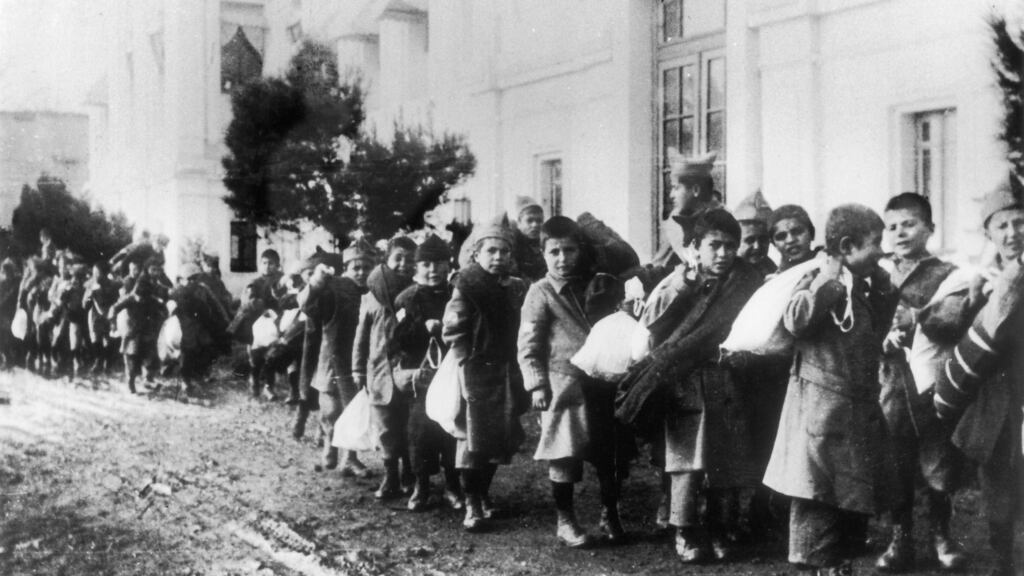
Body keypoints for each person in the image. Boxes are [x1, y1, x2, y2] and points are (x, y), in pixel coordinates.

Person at [764, 204, 898, 576]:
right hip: (819, 417)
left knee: (848, 508)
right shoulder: (821, 278)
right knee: (817, 505)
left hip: (852, 415)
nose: (882, 250)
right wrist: (830, 278)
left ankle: (838, 568)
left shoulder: (860, 287)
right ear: (847, 245)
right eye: (876, 242)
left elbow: (872, 335)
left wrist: (885, 292)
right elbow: (797, 319)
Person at [932, 181, 1024, 576]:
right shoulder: (981, 279)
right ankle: (1002, 560)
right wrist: (972, 299)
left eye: (1020, 223)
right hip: (996, 397)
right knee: (998, 485)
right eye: (1001, 226)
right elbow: (952, 327)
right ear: (988, 233)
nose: (1012, 233)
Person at [519, 216, 627, 548]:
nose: (563, 258)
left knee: (610, 455)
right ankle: (565, 520)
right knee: (564, 453)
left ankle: (610, 513)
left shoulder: (597, 285)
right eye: (554, 252)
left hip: (602, 380)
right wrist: (536, 383)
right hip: (562, 383)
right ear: (543, 254)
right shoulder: (541, 292)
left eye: (569, 250)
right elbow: (528, 342)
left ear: (581, 251)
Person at [874, 193, 967, 572]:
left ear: (930, 228)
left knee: (937, 459)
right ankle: (900, 539)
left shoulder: (946, 274)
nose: (900, 233)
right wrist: (880, 336)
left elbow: (952, 320)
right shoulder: (876, 273)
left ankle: (942, 534)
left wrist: (917, 318)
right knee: (894, 460)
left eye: (909, 224)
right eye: (892, 227)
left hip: (931, 383)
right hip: (889, 382)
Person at [442, 222, 528, 532]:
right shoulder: (468, 284)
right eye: (491, 251)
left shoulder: (516, 287)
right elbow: (453, 328)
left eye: (504, 251)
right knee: (472, 439)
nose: (498, 257)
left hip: (507, 371)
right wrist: (466, 360)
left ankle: (483, 493)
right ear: (477, 253)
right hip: (476, 371)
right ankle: (471, 501)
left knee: (499, 438)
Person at [393, 235, 462, 511]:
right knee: (420, 432)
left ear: (448, 265)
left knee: (451, 429)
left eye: (439, 263)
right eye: (426, 264)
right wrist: (423, 327)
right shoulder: (406, 299)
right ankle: (421, 486)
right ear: (416, 267)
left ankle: (453, 486)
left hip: (451, 373)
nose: (433, 270)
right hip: (420, 377)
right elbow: (397, 340)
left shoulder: (456, 294)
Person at [353, 236, 416, 497]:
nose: (403, 264)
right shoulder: (371, 296)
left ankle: (409, 475)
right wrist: (357, 368)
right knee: (386, 428)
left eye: (409, 259)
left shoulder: (416, 292)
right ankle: (390, 476)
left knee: (410, 426)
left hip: (408, 370)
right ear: (386, 260)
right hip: (379, 372)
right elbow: (361, 336)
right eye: (398, 258)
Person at [302, 249, 365, 474]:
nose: (361, 272)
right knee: (331, 408)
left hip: (358, 360)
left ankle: (350, 457)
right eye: (355, 267)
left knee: (353, 409)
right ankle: (329, 445)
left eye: (366, 267)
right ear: (346, 269)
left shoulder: (372, 290)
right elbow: (307, 306)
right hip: (331, 357)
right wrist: (317, 282)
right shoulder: (333, 289)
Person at [169, 263, 230, 395]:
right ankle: (185, 380)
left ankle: (202, 373)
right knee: (187, 352)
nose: (192, 282)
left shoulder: (202, 289)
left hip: (201, 325)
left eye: (195, 278)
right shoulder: (177, 291)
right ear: (181, 280)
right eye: (189, 279)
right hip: (185, 327)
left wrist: (224, 320)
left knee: (207, 347)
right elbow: (170, 307)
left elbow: (216, 304)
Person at [113, 257, 168, 393]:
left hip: (148, 328)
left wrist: (162, 311)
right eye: (153, 270)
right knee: (132, 357)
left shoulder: (153, 293)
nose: (155, 272)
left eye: (157, 270)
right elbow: (115, 308)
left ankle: (147, 379)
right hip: (133, 329)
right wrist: (113, 325)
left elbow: (162, 307)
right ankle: (131, 382)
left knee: (150, 355)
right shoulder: (133, 296)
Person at [83, 262, 120, 374]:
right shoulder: (90, 285)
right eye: (94, 273)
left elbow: (116, 300)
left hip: (108, 314)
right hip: (95, 315)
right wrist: (90, 296)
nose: (95, 275)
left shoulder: (112, 285)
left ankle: (107, 363)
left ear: (104, 273)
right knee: (95, 338)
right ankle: (98, 361)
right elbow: (84, 304)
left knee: (108, 339)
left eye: (97, 273)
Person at [734, 190, 777, 276]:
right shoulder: (727, 274)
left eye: (763, 240)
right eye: (749, 240)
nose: (757, 247)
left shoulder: (772, 270)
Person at [768, 204, 820, 274]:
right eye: (781, 236)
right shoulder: (776, 281)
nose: (790, 240)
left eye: (797, 232)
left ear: (812, 233)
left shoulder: (831, 263)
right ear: (774, 244)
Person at [511, 196, 547, 283]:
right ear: (519, 223)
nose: (535, 225)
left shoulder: (545, 244)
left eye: (539, 221)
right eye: (529, 221)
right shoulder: (513, 246)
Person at [0, 258, 21, 369]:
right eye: (5, 271)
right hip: (3, 313)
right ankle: (6, 356)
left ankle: (11, 357)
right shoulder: (2, 283)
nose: (7, 274)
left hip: (14, 313)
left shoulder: (18, 282)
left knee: (10, 336)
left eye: (9, 271)